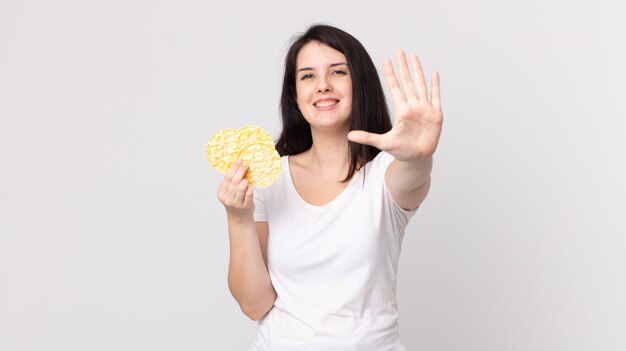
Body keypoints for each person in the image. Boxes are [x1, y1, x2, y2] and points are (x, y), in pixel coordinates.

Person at [217, 24, 443, 351]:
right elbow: (255, 305)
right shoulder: (269, 179)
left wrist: (420, 157)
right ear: (295, 96)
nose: (322, 86)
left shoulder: (384, 176)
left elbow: (414, 174)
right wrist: (238, 218)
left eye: (337, 72)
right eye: (308, 76)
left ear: (360, 84)